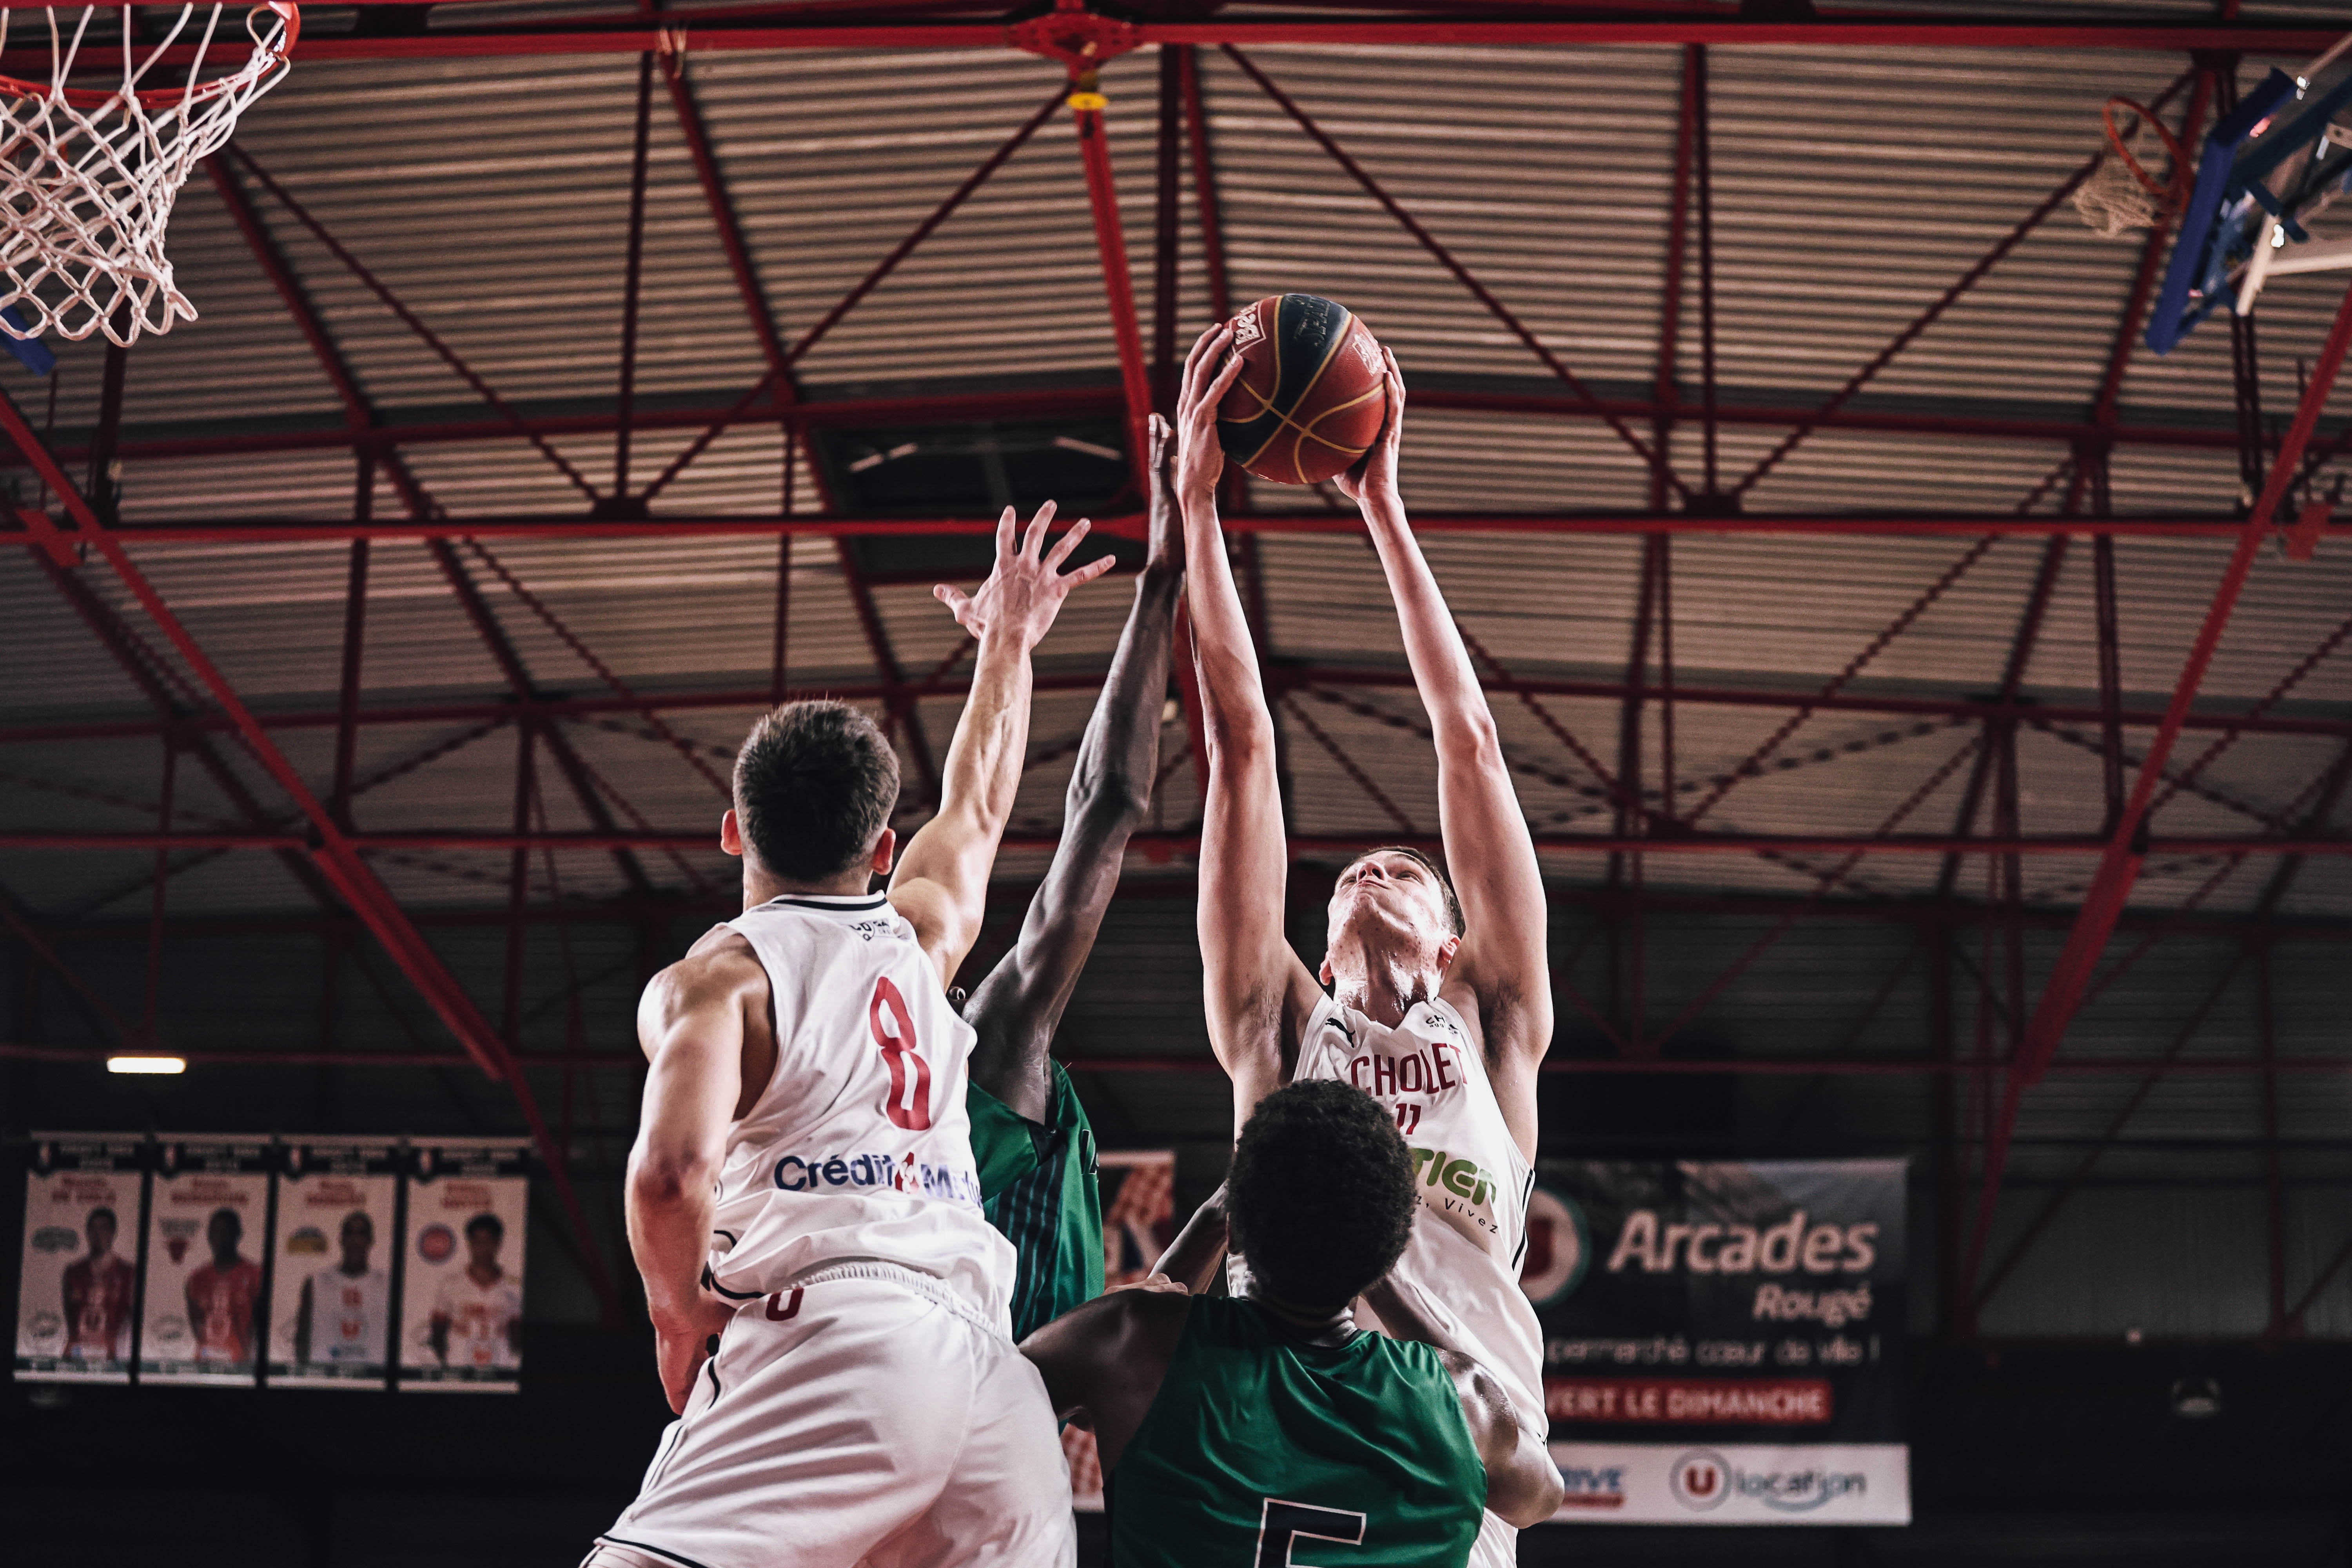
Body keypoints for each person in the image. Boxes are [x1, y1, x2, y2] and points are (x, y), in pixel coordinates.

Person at [584, 505, 1112, 1568]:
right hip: (989, 1381)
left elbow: (669, 1173)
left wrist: (677, 1314)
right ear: (882, 849)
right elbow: (980, 801)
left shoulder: (714, 986)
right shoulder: (923, 936)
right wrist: (1009, 640)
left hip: (834, 1338)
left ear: (735, 830)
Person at [1172, 324, 1554, 1568]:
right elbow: (1237, 742)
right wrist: (1194, 504)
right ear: (1317, 954)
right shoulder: (1279, 1033)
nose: (1375, 863)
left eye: (1408, 869)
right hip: (1288, 1448)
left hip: (1462, 1470)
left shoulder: (1492, 1026)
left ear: (1454, 946)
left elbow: (1469, 743)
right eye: (1356, 869)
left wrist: (1381, 505)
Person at [1020, 1081, 1562, 1566]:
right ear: (1385, 1251)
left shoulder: (1131, 1344)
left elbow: (1002, 1400)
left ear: (1237, 1228)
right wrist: (1383, 1273)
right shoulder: (1463, 1405)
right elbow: (1540, 1498)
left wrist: (1213, 1221)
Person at [964, 415, 1182, 1338]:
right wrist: (1165, 578)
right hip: (962, 1451)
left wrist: (1003, 655)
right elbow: (1106, 804)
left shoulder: (931, 1118)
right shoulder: (985, 1067)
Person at [428, 1212, 521, 1372]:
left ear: (498, 1243)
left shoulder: (514, 1287)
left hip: (500, 1371)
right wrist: (446, 1364)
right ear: (469, 1243)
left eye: (489, 1241)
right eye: (478, 1241)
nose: (483, 1248)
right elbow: (437, 1332)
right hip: (458, 1370)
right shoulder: (451, 1284)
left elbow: (518, 1336)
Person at [298, 1209, 388, 1369]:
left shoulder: (386, 1285)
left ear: (371, 1241)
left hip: (373, 1381)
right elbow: (302, 1338)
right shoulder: (317, 1282)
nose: (355, 1241)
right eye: (350, 1234)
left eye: (361, 1234)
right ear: (341, 1239)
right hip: (326, 1381)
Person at [185, 1205, 263, 1367]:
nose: (220, 1238)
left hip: (241, 1366)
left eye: (226, 1232)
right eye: (215, 1232)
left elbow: (258, 1326)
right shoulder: (196, 1279)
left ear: (238, 1235)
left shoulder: (255, 1275)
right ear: (208, 1236)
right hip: (204, 1364)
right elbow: (197, 1327)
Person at [62, 1205, 134, 1365]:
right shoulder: (73, 1272)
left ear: (113, 1233)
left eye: (103, 1229)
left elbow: (132, 1320)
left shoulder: (128, 1273)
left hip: (113, 1358)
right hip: (76, 1356)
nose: (98, 1234)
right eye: (93, 1229)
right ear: (87, 1232)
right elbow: (69, 1318)